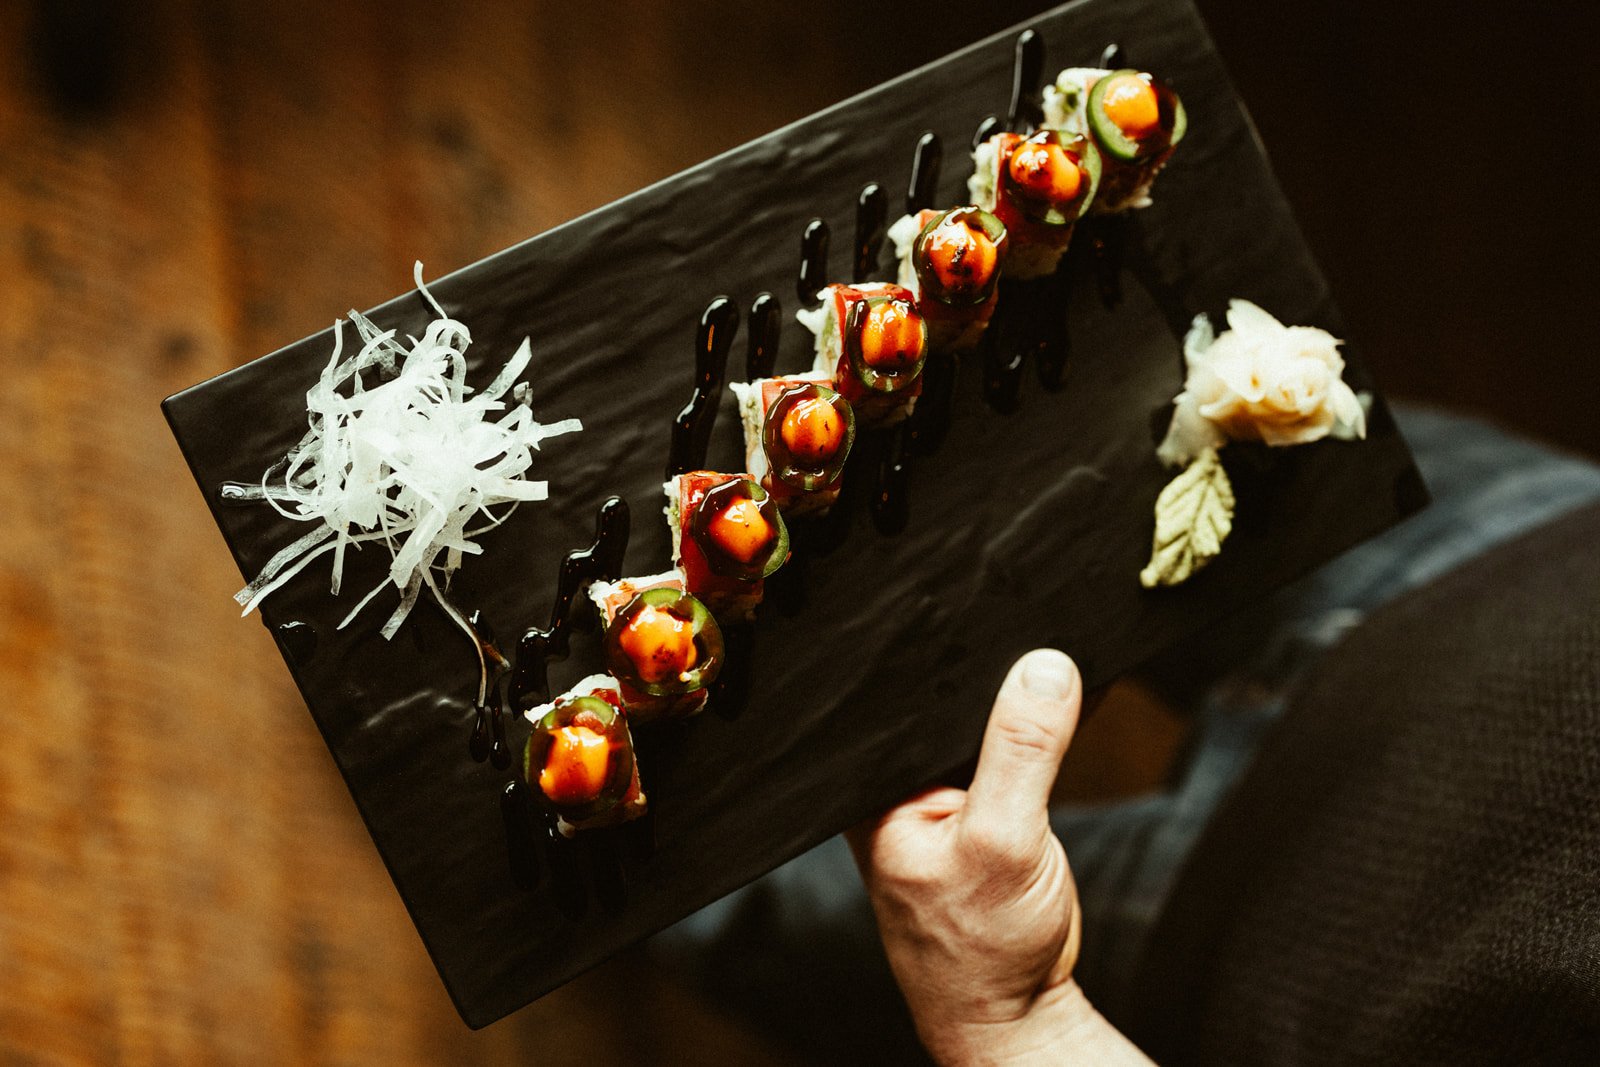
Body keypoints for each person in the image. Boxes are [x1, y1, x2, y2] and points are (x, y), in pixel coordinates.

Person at [653, 406, 1600, 1064]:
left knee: (733, 884)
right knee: (1018, 451)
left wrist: (1017, 1024)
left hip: (1279, 941)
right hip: (1526, 548)